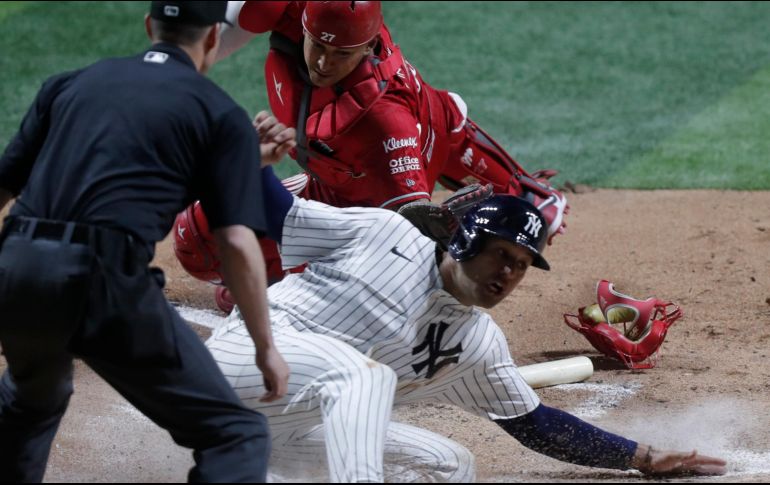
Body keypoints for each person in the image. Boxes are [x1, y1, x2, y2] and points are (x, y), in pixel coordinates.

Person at [204, 165, 727, 482]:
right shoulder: (384, 235)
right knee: (363, 377)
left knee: (450, 466)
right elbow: (278, 215)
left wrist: (642, 457)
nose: (508, 274)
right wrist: (252, 158)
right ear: (464, 242)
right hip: (239, 368)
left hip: (284, 430)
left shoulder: (477, 344)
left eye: (521, 266)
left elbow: (535, 425)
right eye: (501, 255)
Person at [0, 2, 292, 482]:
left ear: (149, 27)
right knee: (235, 434)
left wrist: (243, 158)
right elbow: (237, 244)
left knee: (31, 400)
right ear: (215, 38)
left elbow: (9, 185)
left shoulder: (70, 83)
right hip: (102, 282)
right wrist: (266, 348)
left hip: (19, 269)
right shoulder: (217, 111)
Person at [196, 0, 570, 311]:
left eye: (341, 54)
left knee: (384, 272)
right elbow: (210, 36)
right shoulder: (323, 13)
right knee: (196, 240)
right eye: (318, 46)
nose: (323, 63)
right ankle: (466, 141)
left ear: (368, 46)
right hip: (345, 173)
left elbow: (410, 231)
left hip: (373, 191)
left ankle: (521, 197)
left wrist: (439, 246)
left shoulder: (384, 121)